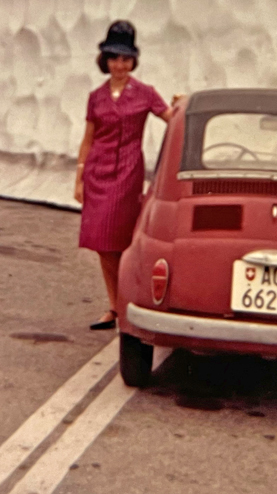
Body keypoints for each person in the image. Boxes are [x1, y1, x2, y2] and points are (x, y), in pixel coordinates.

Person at [74, 20, 172, 330]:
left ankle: (127, 305)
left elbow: (171, 118)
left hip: (127, 174)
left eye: (126, 58)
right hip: (97, 173)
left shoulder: (145, 93)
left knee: (120, 241)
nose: (120, 64)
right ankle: (115, 307)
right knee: (103, 245)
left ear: (134, 60)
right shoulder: (96, 96)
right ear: (105, 60)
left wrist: (183, 106)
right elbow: (88, 139)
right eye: (115, 58)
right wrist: (79, 177)